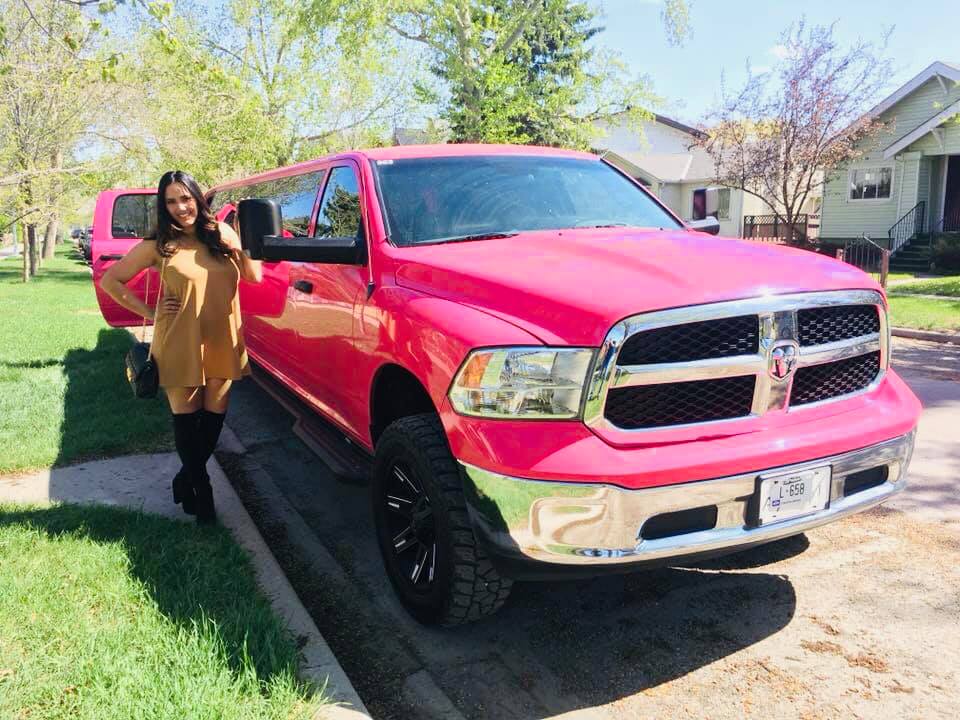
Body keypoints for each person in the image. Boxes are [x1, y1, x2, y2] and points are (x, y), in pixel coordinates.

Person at [101, 170, 262, 524]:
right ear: (164, 206)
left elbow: (254, 277)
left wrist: (242, 249)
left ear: (198, 198)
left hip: (222, 335)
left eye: (185, 198)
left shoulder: (223, 233)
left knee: (213, 420)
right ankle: (203, 496)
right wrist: (150, 311)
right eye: (171, 201)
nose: (180, 207)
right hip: (178, 339)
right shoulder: (159, 244)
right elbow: (112, 280)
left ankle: (183, 478)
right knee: (188, 422)